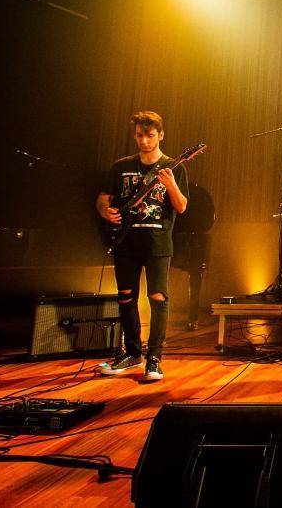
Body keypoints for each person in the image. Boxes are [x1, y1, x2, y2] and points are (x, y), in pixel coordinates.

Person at [96, 111, 188, 381]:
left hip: (157, 241)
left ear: (160, 135)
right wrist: (105, 211)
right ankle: (132, 352)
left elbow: (181, 206)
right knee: (125, 295)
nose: (144, 140)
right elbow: (103, 197)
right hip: (125, 240)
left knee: (157, 297)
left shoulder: (174, 167)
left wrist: (170, 185)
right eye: (139, 135)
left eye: (149, 135)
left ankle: (155, 357)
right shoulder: (121, 166)